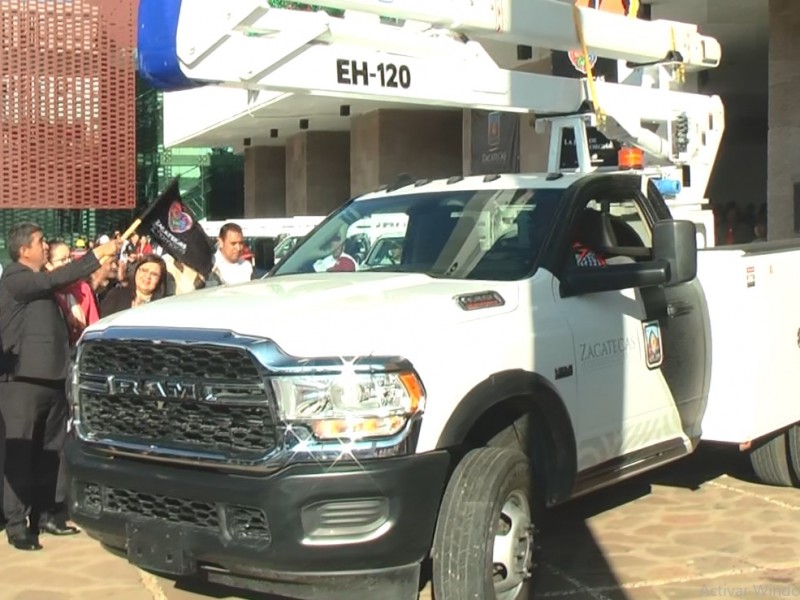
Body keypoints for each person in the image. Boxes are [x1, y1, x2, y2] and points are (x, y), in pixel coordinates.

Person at [0, 223, 120, 551]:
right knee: (21, 454)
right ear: (24, 250)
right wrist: (96, 256)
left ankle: (46, 514)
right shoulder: (15, 277)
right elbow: (54, 278)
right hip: (23, 383)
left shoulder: (41, 287)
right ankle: (17, 523)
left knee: (50, 452)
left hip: (54, 379)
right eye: (40, 242)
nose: (45, 246)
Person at [45, 242, 101, 346]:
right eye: (63, 260)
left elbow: (94, 323)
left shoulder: (83, 288)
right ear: (48, 265)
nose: (68, 263)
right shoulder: (47, 293)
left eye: (70, 258)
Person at [100, 254, 168, 317]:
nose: (148, 276)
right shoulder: (116, 295)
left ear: (160, 279)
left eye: (154, 274)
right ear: (136, 271)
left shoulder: (163, 306)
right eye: (144, 270)